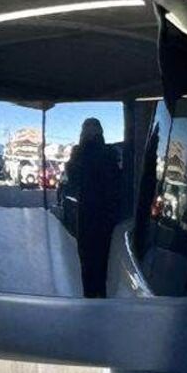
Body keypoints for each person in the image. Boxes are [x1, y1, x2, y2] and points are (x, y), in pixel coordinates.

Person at [65, 118, 121, 298]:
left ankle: (90, 297)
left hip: (88, 213)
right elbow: (116, 182)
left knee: (87, 259)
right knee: (104, 259)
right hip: (106, 214)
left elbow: (73, 180)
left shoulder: (80, 153)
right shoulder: (109, 153)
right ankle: (101, 296)